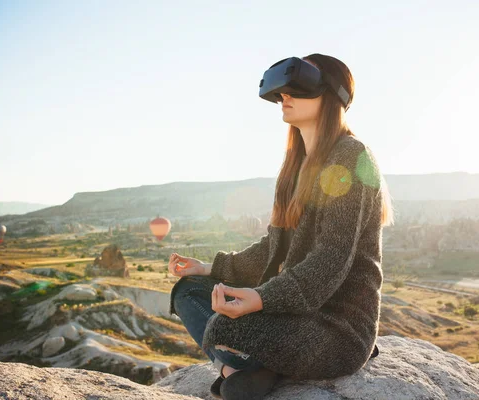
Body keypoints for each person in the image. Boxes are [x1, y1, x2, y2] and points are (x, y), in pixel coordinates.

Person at [168, 53, 394, 400]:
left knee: (224, 323)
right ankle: (241, 369)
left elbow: (329, 261)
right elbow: (272, 249)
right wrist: (210, 267)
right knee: (190, 291)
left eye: (298, 88)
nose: (284, 97)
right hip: (293, 314)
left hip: (337, 330)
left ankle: (244, 369)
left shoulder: (352, 156)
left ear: (332, 96)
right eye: (282, 91)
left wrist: (259, 298)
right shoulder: (294, 167)